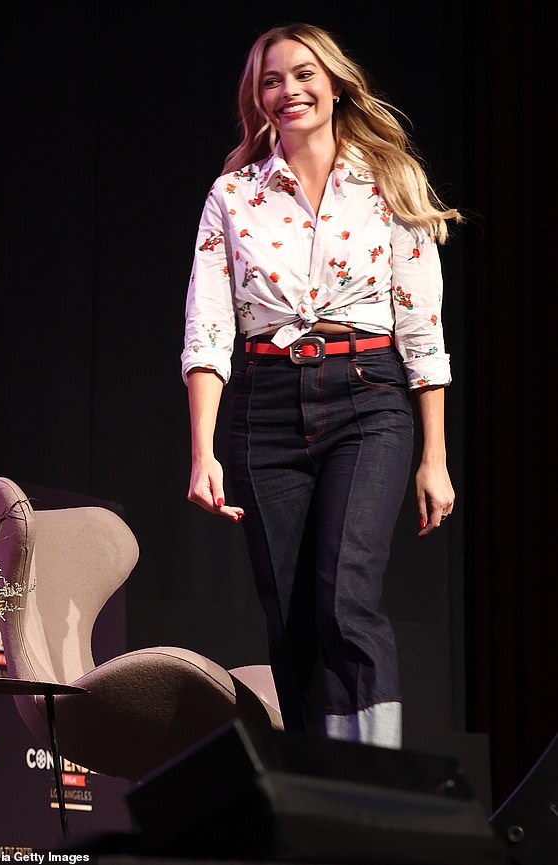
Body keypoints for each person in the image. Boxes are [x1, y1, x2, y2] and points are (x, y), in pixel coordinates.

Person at [181, 22, 462, 749]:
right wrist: (203, 451)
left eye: (303, 74)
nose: (288, 91)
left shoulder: (387, 179)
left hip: (368, 395)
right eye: (270, 80)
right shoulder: (233, 195)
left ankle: (375, 781)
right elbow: (208, 330)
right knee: (293, 611)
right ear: (258, 97)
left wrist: (434, 457)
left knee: (346, 595)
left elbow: (421, 327)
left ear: (334, 83)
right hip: (264, 407)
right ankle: (318, 782)